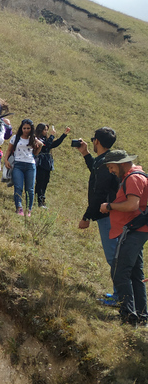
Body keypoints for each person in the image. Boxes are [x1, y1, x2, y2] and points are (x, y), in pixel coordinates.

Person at [98, 150, 148, 324]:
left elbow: (132, 204)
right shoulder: (137, 176)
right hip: (137, 230)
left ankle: (128, 315)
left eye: (112, 167)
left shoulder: (133, 178)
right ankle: (141, 316)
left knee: (120, 272)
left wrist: (109, 206)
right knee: (135, 274)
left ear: (121, 164)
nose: (111, 171)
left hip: (131, 230)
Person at [77, 127, 120, 306]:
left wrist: (86, 217)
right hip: (111, 214)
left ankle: (120, 297)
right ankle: (120, 294)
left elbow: (99, 191)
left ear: (97, 141)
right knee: (116, 256)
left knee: (114, 257)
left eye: (93, 139)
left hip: (107, 216)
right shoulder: (105, 160)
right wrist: (86, 154)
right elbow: (96, 174)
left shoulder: (105, 162)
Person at [5, 119, 43, 216]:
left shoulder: (33, 139)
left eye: (28, 128)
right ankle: (19, 208)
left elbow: (40, 146)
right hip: (18, 164)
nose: (26, 130)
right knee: (18, 187)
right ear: (21, 128)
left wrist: (38, 147)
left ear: (31, 129)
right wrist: (6, 160)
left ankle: (29, 209)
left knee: (30, 189)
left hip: (30, 164)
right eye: (24, 128)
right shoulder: (15, 138)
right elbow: (9, 150)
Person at [34, 123, 70, 209]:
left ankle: (42, 199)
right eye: (45, 130)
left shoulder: (46, 139)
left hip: (47, 163)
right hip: (41, 162)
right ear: (40, 130)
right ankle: (38, 200)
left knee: (46, 181)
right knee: (40, 181)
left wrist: (64, 135)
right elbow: (46, 146)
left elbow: (54, 144)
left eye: (47, 130)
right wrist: (51, 136)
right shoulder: (38, 139)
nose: (46, 131)